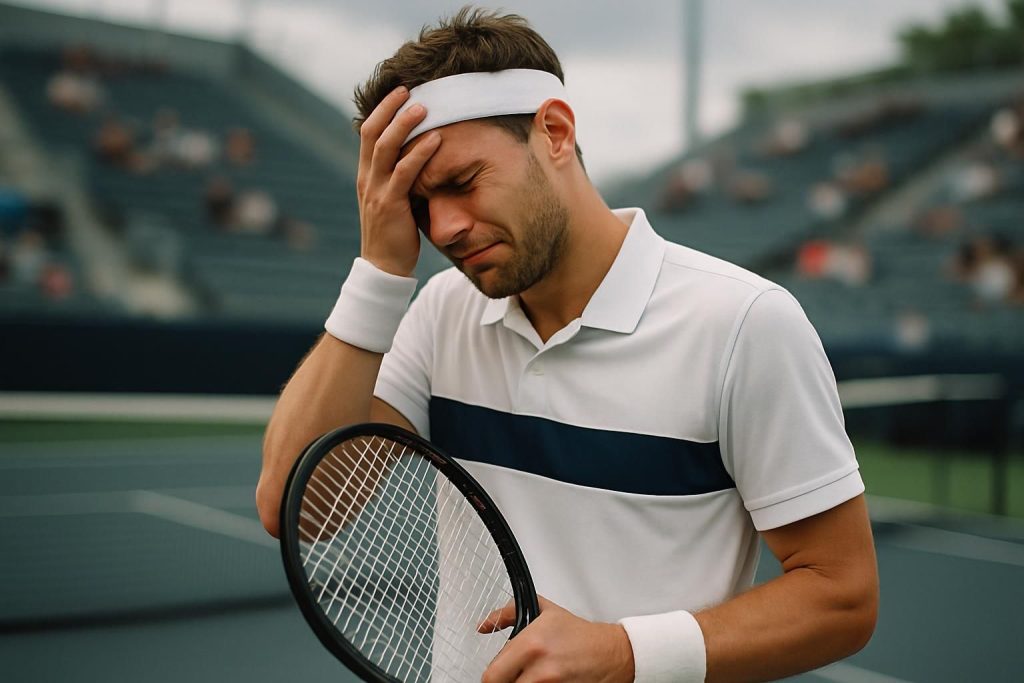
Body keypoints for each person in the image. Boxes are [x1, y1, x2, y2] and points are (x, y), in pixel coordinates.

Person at [257, 8, 878, 682]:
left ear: (554, 131)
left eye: (462, 182)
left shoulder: (745, 323)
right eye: (418, 205)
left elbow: (841, 596)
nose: (445, 227)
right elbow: (298, 506)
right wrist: (379, 271)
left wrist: (623, 653)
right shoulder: (439, 312)